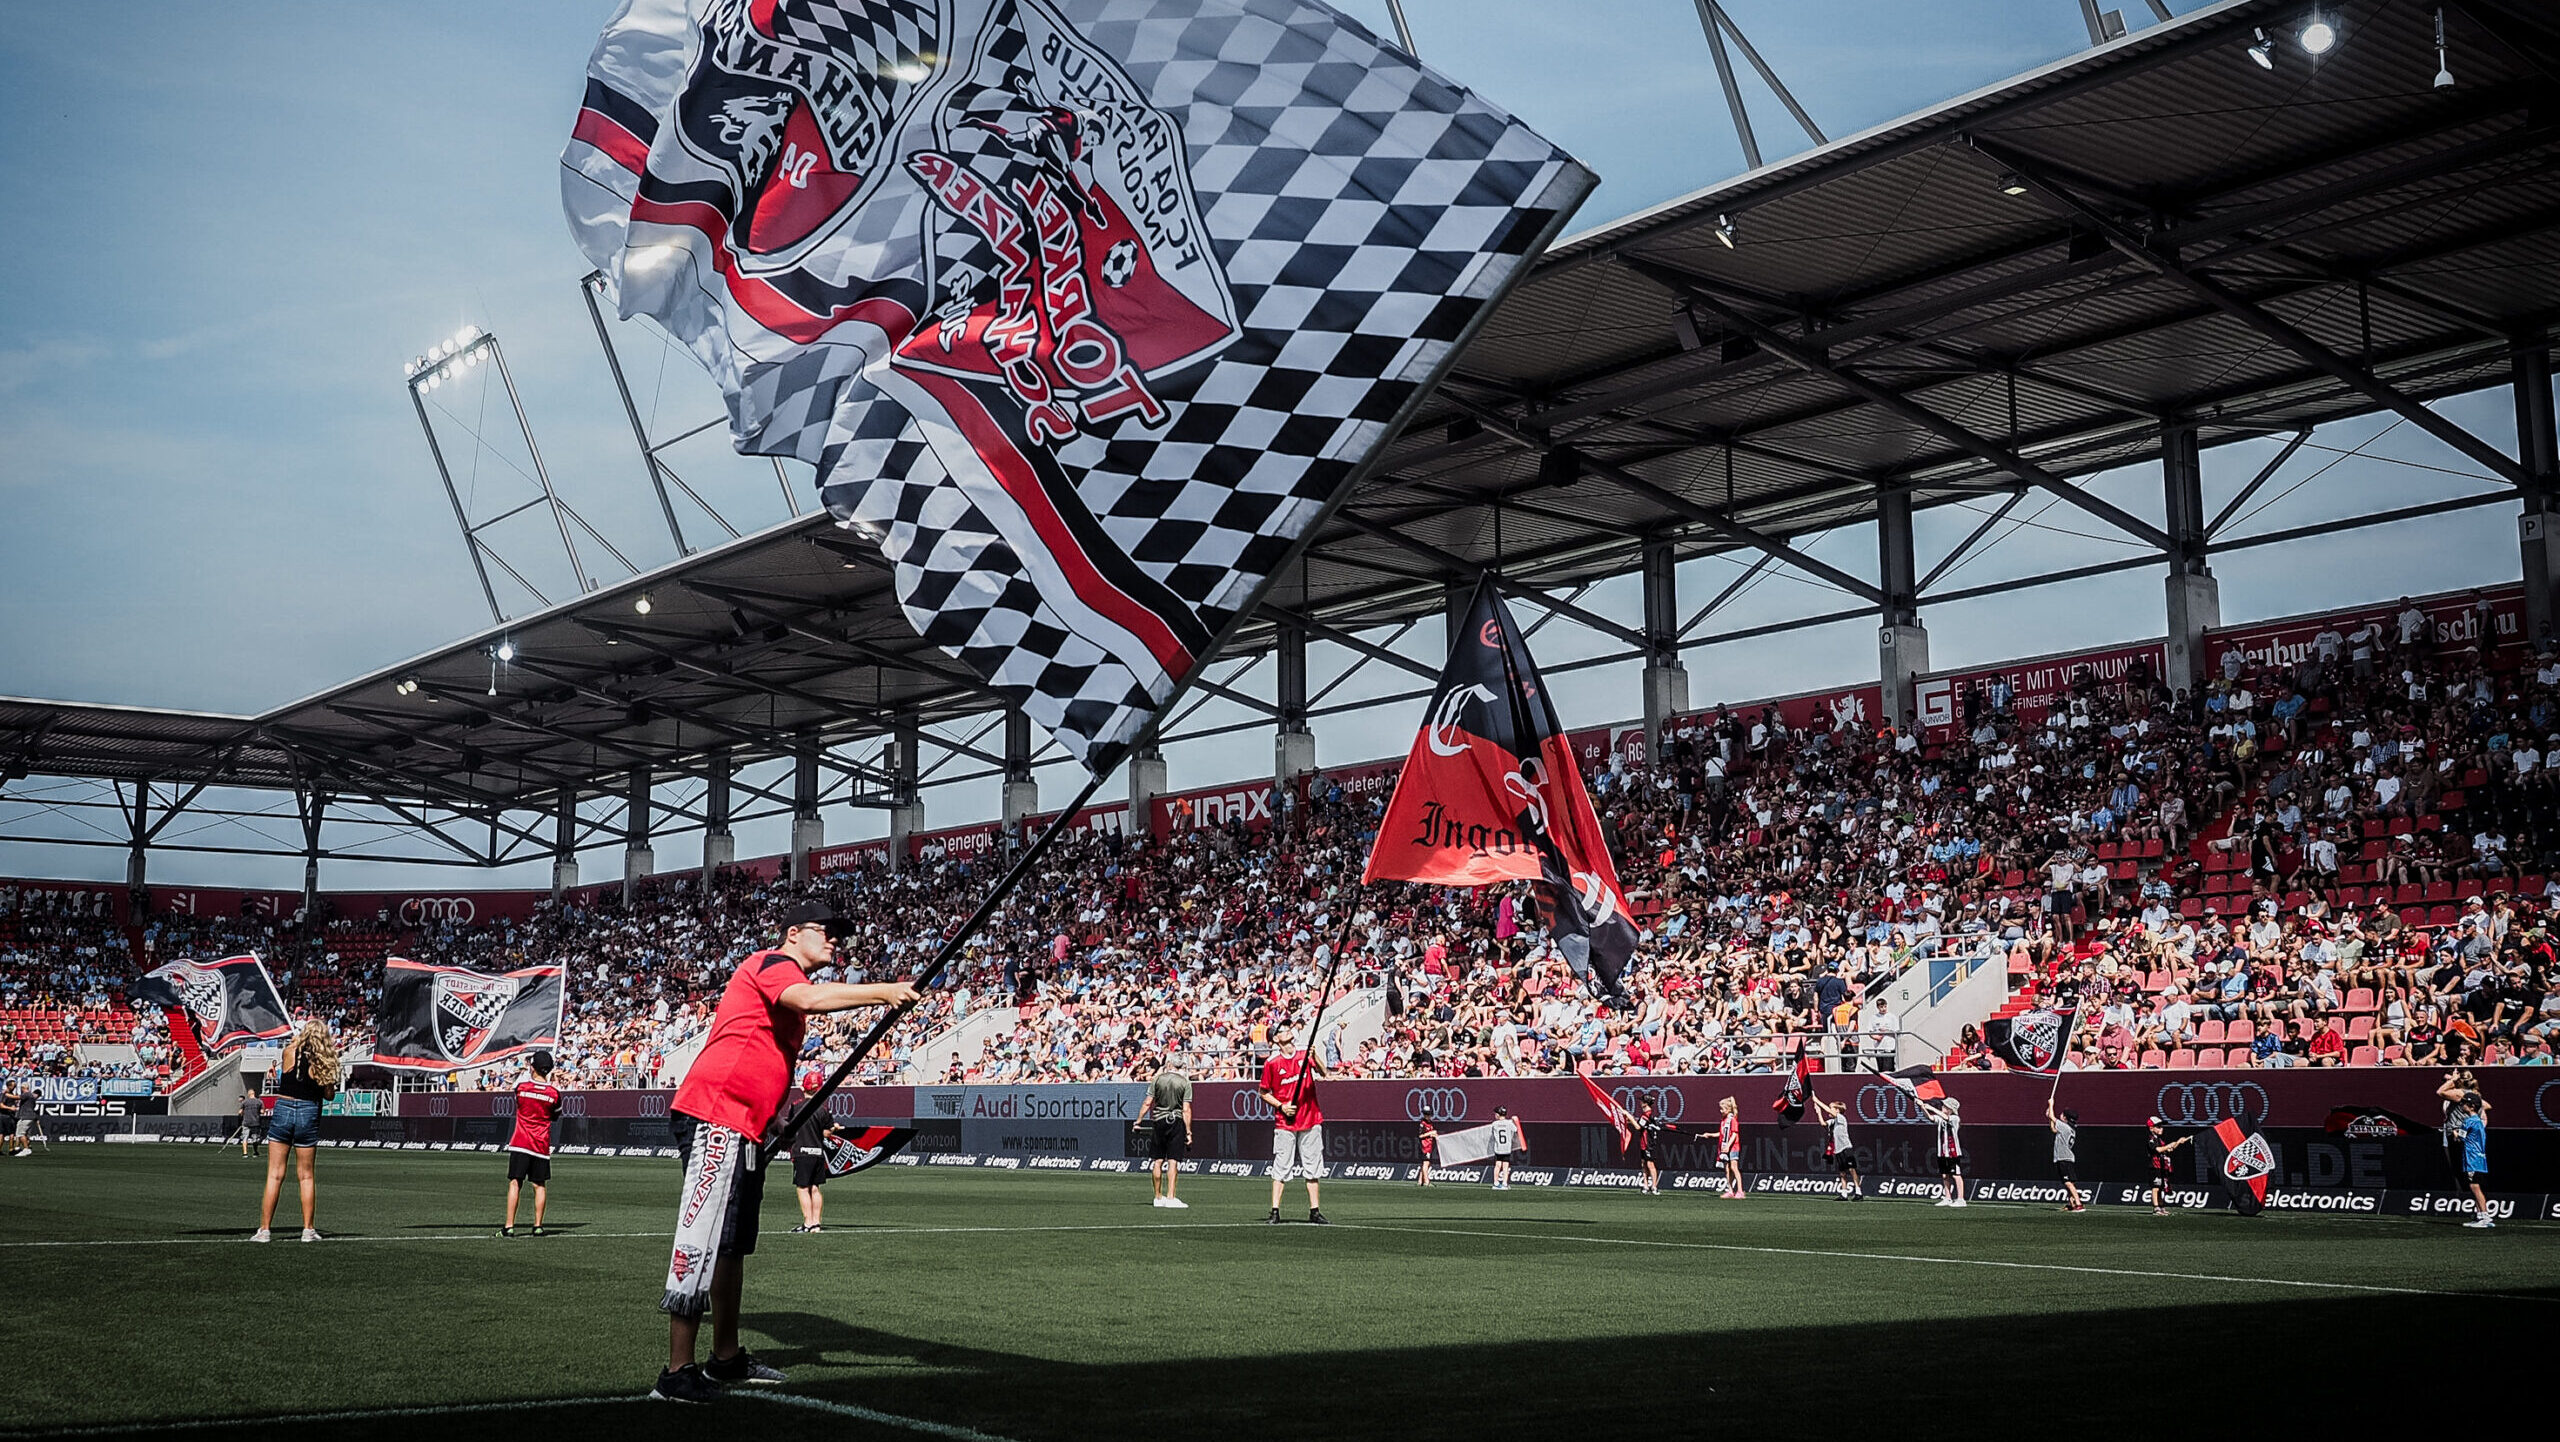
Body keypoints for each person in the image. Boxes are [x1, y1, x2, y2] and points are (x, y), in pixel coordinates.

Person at [652, 901, 918, 1404]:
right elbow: (809, 1000)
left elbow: (763, 1056)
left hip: (745, 1125)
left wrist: (775, 1117)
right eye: (828, 931)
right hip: (716, 1114)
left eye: (841, 934)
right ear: (794, 933)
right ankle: (677, 1372)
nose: (836, 941)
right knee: (703, 1236)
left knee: (733, 1245)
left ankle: (725, 1359)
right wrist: (882, 992)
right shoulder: (774, 965)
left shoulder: (783, 991)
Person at [254, 1022, 340, 1243]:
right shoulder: (323, 1060)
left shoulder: (289, 1051)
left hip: (283, 1108)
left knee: (274, 1174)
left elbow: (289, 1071)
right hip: (308, 1110)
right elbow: (329, 1095)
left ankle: (264, 1230)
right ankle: (308, 1230)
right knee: (306, 1175)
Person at [1258, 1021, 1329, 1224]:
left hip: (1311, 1118)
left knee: (1313, 1166)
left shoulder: (1304, 1055)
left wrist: (1315, 1056)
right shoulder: (1272, 1063)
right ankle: (1275, 1210)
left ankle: (1315, 1210)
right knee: (1281, 1165)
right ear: (1276, 1039)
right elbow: (1263, 1092)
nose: (1287, 1031)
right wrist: (1281, 1106)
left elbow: (1324, 1073)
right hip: (1285, 1121)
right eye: (1281, 1030)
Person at [503, 1050, 562, 1237]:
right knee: (539, 1185)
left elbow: (515, 1093)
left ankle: (509, 1226)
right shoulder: (554, 1094)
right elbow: (555, 1116)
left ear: (532, 1067)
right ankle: (538, 1226)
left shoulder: (522, 1088)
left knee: (515, 1183)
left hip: (521, 1142)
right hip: (541, 1144)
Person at [785, 1085, 845, 1234]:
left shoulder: (796, 1107)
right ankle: (816, 1223)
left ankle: (808, 1223)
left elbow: (789, 1127)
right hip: (817, 1152)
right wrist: (834, 1128)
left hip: (802, 1152)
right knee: (815, 1188)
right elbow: (826, 1134)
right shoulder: (823, 1110)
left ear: (803, 1088)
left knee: (803, 1188)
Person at [1144, 1054, 1192, 1209]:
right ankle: (1171, 1197)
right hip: (1175, 1121)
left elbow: (1147, 1103)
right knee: (1173, 1161)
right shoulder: (1185, 1082)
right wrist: (1189, 1132)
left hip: (1158, 1120)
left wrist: (1138, 1120)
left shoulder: (1157, 1079)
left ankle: (1158, 1197)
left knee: (1157, 1160)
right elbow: (1186, 1109)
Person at [2450, 1090, 2494, 1229]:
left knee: (2474, 1187)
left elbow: (2460, 1139)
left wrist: (2454, 1132)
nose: (2462, 1106)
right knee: (2476, 1186)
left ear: (2471, 1106)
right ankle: (2480, 1216)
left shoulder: (2468, 1121)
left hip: (2472, 1158)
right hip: (2479, 1158)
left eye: (2464, 1104)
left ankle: (2485, 1216)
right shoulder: (2479, 1121)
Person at [1627, 1097, 1680, 1196]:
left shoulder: (1646, 1115)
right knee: (1644, 1164)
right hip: (1644, 1143)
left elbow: (1638, 1127)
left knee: (1650, 1165)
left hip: (1648, 1143)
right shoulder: (1647, 1115)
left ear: (1645, 1103)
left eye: (1642, 1101)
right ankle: (1646, 1186)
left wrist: (1629, 1117)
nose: (1640, 1103)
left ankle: (1654, 1186)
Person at [1921, 1095, 1966, 1207]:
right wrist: (1923, 1107)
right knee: (1945, 1175)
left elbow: (1947, 1118)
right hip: (1942, 1151)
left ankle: (1961, 1199)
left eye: (1945, 1106)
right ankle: (1948, 1197)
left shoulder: (1955, 1118)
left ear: (1950, 1109)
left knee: (1956, 1174)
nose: (1942, 1107)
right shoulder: (1940, 1118)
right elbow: (1931, 1118)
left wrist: (1932, 1108)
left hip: (1953, 1151)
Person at [1815, 1097, 1860, 1200]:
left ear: (1837, 1110)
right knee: (1842, 1173)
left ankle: (1858, 1192)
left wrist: (1817, 1100)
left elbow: (1827, 1109)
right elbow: (1823, 1123)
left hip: (1846, 1147)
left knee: (1852, 1170)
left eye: (1832, 1108)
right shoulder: (1833, 1121)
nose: (1830, 1111)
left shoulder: (1841, 1118)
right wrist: (1818, 1113)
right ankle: (1844, 1194)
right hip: (1838, 1150)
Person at [2145, 1115, 2192, 1215]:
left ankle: (2161, 1207)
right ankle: (2156, 1208)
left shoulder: (2160, 1140)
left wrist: (2178, 1142)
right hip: (2154, 1166)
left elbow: (2169, 1149)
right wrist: (2169, 1145)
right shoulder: (2151, 1139)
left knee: (2161, 1187)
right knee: (2155, 1187)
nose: (2161, 1128)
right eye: (2158, 1127)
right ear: (2151, 1128)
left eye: (2161, 1126)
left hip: (2162, 1167)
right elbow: (2158, 1150)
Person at [2047, 1100, 2085, 1213]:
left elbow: (2051, 1116)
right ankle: (2071, 1204)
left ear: (2065, 1118)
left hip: (2064, 1158)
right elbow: (2053, 1129)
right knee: (2068, 1183)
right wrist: (2050, 1118)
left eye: (2062, 1115)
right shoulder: (2070, 1129)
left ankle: (2078, 1204)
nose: (2061, 1115)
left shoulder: (2065, 1127)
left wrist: (2051, 1105)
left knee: (2068, 1183)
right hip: (2065, 1158)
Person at [1489, 1106, 1523, 1190]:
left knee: (1497, 1165)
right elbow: (1515, 1130)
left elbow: (1493, 1133)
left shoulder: (1494, 1124)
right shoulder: (1509, 1123)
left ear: (1497, 1114)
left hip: (1498, 1148)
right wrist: (1513, 1121)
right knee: (1505, 1166)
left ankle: (1496, 1183)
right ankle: (1504, 1183)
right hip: (1507, 1148)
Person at [1715, 1096, 1743, 1199]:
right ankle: (1730, 1190)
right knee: (1727, 1169)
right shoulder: (1723, 1121)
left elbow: (1734, 1134)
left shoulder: (1732, 1120)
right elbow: (1722, 1134)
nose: (1721, 1111)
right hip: (1725, 1147)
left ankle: (1740, 1191)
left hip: (1733, 1147)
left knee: (1733, 1167)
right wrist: (1709, 1134)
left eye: (1722, 1109)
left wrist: (1728, 1146)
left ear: (1728, 1109)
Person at [0, 1071, 24, 1159]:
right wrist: (11, 1108)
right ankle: (11, 1149)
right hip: (7, 1115)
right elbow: (1, 1105)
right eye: (13, 1086)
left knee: (2, 1133)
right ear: (9, 1085)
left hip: (3, 1115)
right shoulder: (5, 1093)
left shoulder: (9, 1093)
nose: (15, 1087)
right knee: (11, 1133)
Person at [1415, 1107, 1437, 1188]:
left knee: (1426, 1163)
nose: (1428, 1116)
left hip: (1429, 1145)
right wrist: (1430, 1133)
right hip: (1424, 1146)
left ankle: (1420, 1181)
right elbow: (1420, 1135)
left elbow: (1430, 1133)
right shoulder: (1422, 1123)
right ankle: (1427, 1182)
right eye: (1426, 1114)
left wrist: (1434, 1135)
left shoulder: (1430, 1123)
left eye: (1429, 1114)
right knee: (1426, 1163)